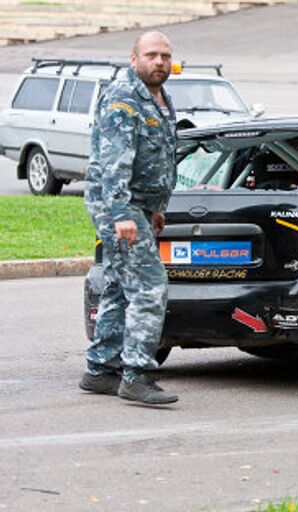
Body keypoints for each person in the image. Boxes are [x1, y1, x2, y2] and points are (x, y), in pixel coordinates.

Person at [79, 31, 179, 404]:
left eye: (165, 56)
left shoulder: (160, 99)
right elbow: (115, 162)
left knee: (122, 286)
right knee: (150, 287)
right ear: (133, 58)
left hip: (139, 206)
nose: (159, 62)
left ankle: (101, 370)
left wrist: (157, 209)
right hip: (117, 204)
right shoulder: (124, 98)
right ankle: (137, 376)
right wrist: (123, 214)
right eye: (151, 55)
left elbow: (160, 156)